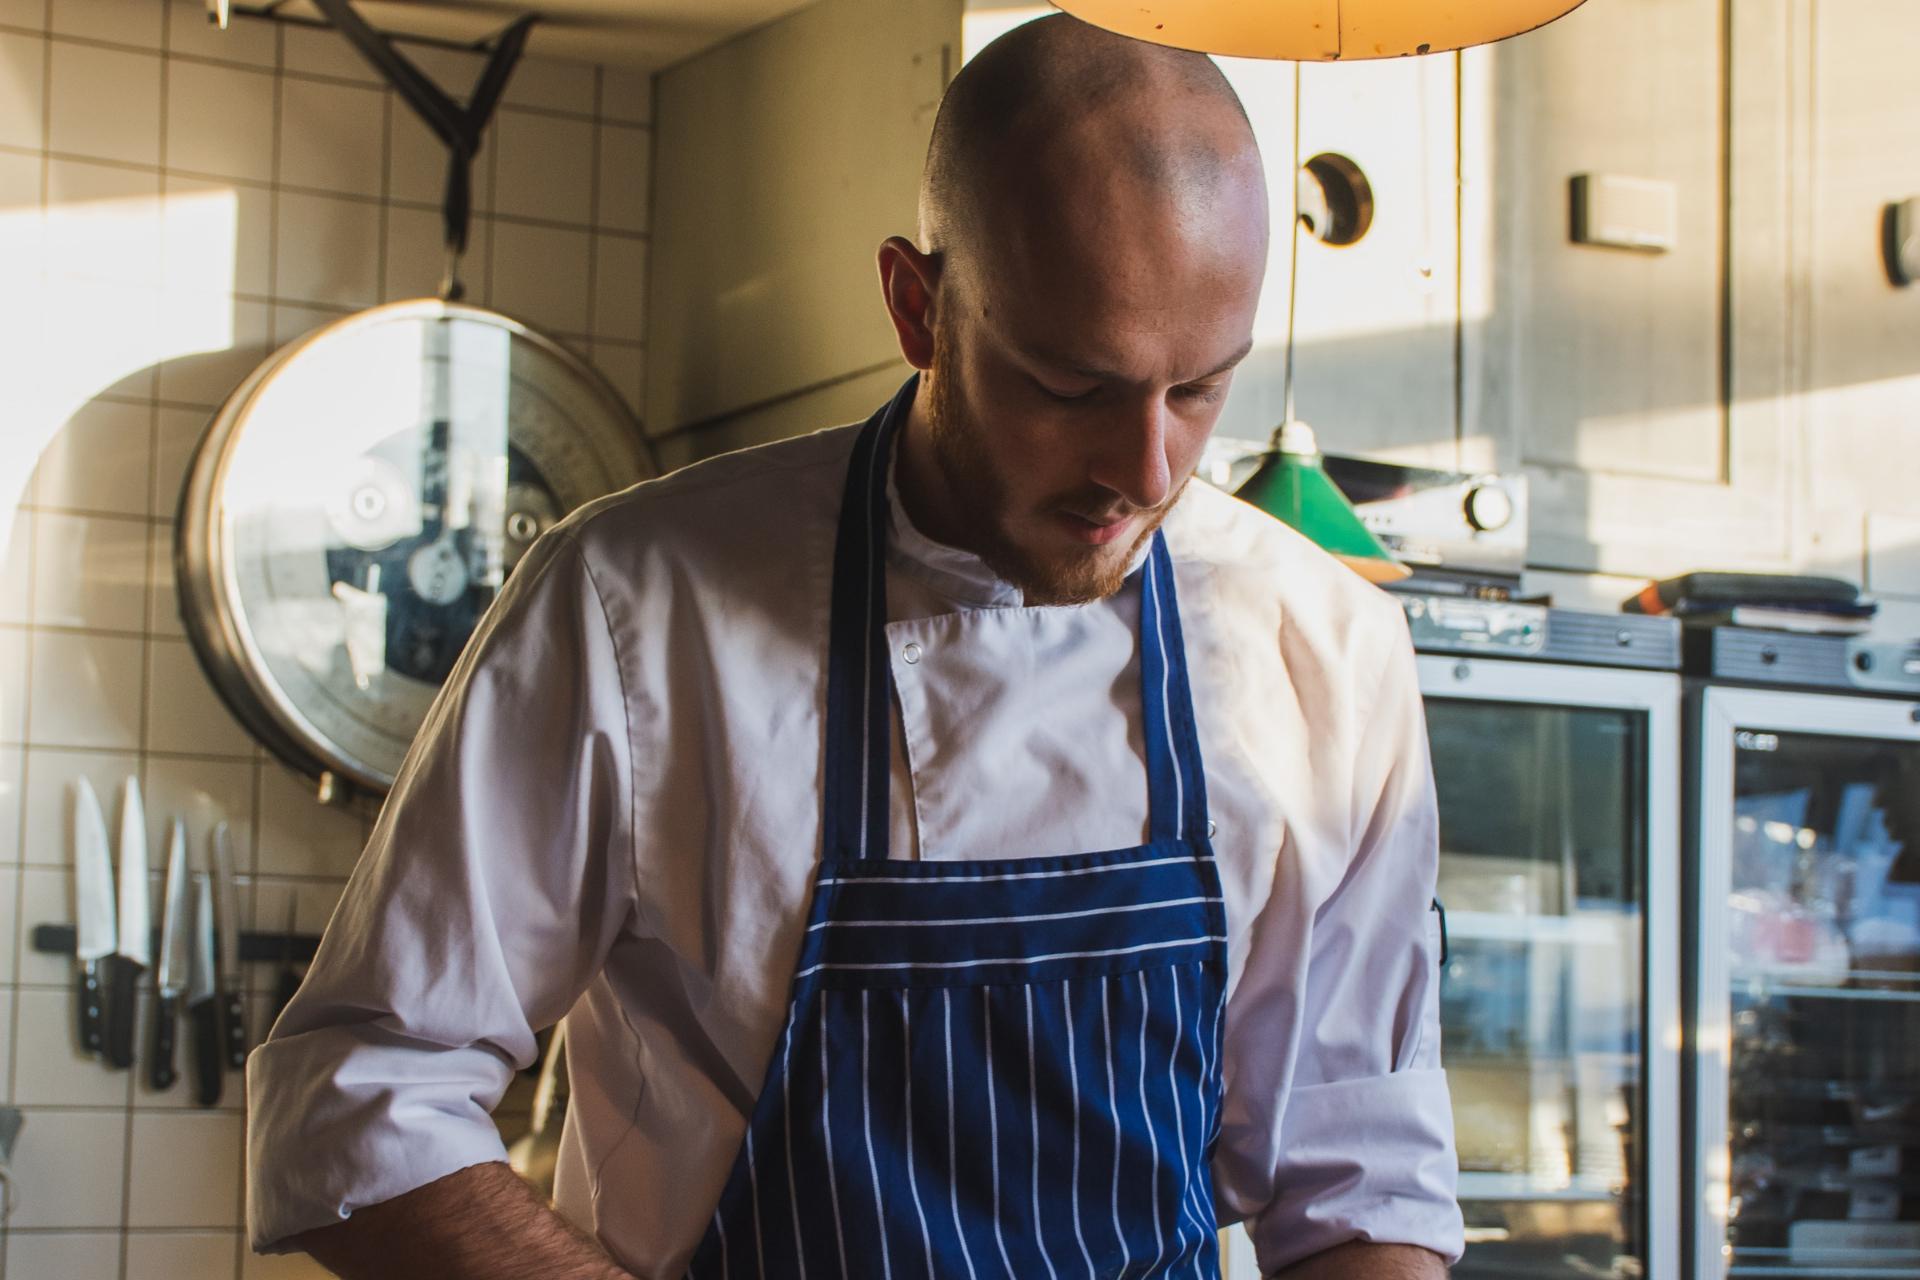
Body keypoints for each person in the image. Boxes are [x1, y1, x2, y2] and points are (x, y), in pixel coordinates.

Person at [246, 14, 1463, 1280]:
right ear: (917, 305)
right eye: (1070, 386)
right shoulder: (633, 606)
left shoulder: (1327, 651)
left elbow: (1360, 1184)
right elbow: (356, 1098)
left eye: (1200, 388)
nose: (1143, 470)